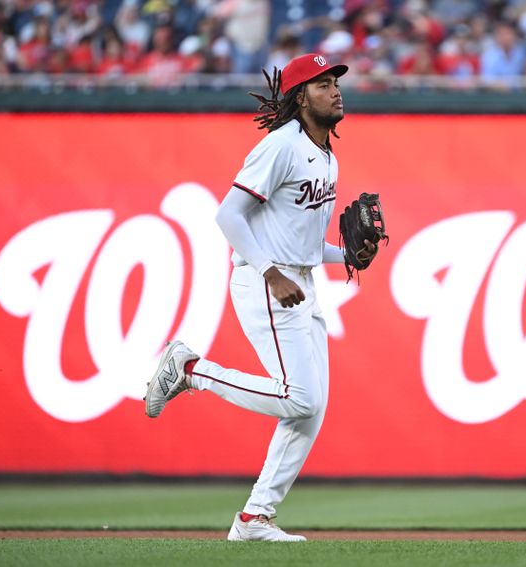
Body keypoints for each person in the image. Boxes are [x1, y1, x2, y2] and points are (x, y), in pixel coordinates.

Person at [144, 53, 377, 542]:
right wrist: (271, 273)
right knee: (301, 397)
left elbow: (305, 243)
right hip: (265, 282)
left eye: (335, 81)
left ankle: (254, 519)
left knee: (311, 409)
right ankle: (190, 370)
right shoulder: (280, 146)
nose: (335, 89)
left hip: (300, 281)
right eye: (321, 84)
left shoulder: (326, 154)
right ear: (299, 97)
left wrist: (348, 257)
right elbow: (228, 216)